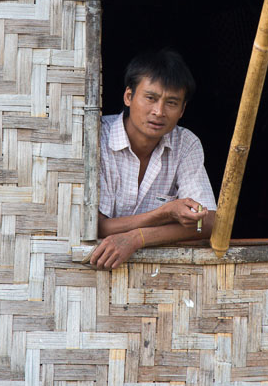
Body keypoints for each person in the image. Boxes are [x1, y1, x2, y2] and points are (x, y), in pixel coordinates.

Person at [88, 49, 217, 269]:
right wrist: (165, 213)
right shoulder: (96, 138)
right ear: (128, 96)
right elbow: (96, 228)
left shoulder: (185, 144)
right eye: (151, 98)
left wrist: (137, 238)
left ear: (182, 110)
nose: (159, 111)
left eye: (172, 103)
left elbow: (207, 223)